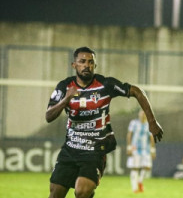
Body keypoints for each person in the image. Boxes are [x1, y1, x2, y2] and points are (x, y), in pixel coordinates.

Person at [45, 47, 163, 198]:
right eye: (82, 62)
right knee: (55, 194)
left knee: (82, 191)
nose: (86, 65)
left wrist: (152, 123)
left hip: (95, 150)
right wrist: (66, 100)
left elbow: (137, 91)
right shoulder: (64, 86)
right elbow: (48, 116)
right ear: (74, 65)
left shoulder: (105, 84)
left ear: (95, 65)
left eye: (90, 62)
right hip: (70, 149)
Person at [126, 109, 156, 193]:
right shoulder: (134, 123)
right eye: (141, 113)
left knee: (147, 166)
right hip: (135, 149)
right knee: (135, 168)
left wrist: (153, 150)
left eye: (144, 113)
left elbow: (151, 137)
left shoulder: (149, 125)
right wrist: (129, 147)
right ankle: (134, 188)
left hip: (145, 150)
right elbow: (129, 134)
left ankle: (139, 181)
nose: (143, 115)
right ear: (139, 114)